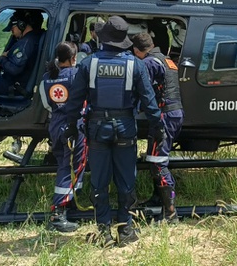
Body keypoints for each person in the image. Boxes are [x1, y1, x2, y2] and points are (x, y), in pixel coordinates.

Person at [63, 16, 163, 247]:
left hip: (97, 129)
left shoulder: (88, 64)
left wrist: (70, 126)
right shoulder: (135, 65)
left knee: (99, 180)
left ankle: (103, 231)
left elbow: (75, 101)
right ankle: (125, 228)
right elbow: (149, 102)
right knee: (126, 179)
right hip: (126, 128)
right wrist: (158, 128)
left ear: (104, 38)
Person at [131, 32, 184, 223]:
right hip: (175, 113)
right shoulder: (167, 60)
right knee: (156, 157)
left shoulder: (149, 63)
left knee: (158, 163)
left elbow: (142, 88)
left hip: (164, 116)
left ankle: (170, 213)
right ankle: (158, 198)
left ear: (137, 51)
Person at [39, 41, 86, 233]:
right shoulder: (78, 75)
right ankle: (58, 213)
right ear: (74, 58)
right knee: (72, 168)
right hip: (74, 126)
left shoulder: (46, 78)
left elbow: (47, 105)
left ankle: (68, 202)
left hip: (56, 126)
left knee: (63, 165)